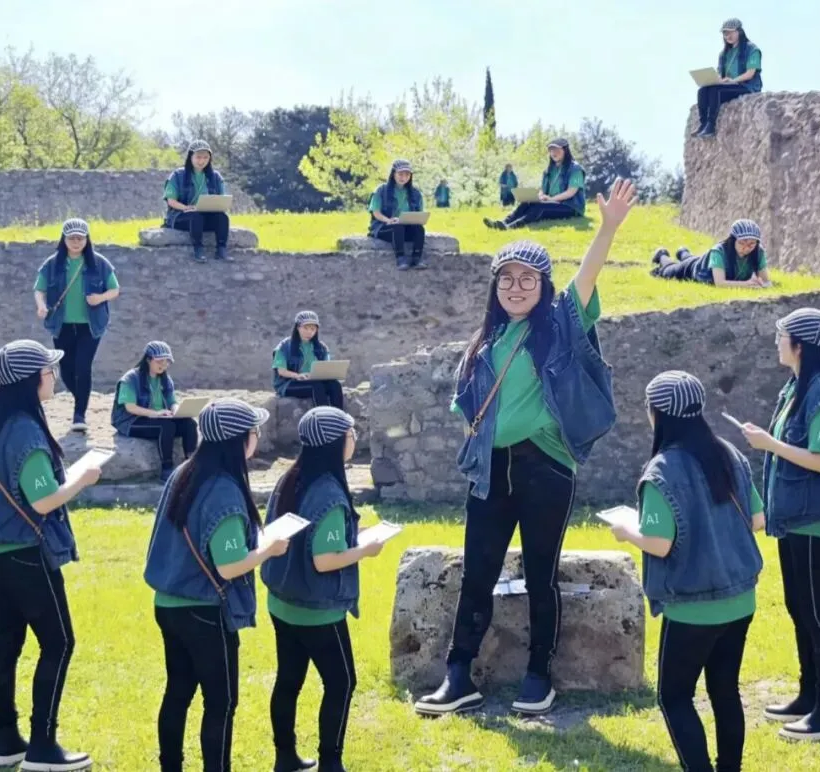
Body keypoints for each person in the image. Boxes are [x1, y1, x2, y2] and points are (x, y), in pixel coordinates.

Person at [414, 179, 637, 718]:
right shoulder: (484, 343)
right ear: (495, 287)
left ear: (543, 285)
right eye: (507, 279)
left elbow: (586, 279)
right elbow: (469, 409)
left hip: (546, 466)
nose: (516, 287)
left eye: (527, 278)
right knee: (477, 573)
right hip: (491, 471)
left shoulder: (558, 325)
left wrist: (607, 228)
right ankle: (458, 675)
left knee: (541, 573)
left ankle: (539, 675)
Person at [0, 340, 104, 771]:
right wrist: (83, 478)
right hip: (24, 554)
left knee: (6, 643)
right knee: (59, 642)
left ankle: (7, 742)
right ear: (31, 379)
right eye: (48, 370)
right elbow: (42, 500)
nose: (54, 376)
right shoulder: (24, 429)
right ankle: (43, 745)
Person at [610, 371, 764, 772]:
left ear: (657, 413)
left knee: (675, 697)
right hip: (741, 598)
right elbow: (758, 519)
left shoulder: (662, 469)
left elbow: (660, 543)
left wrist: (627, 531)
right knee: (725, 691)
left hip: (692, 607)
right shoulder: (729, 453)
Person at [736, 309, 820, 742]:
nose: (777, 342)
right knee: (799, 607)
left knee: (816, 611)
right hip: (798, 520)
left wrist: (769, 443)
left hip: (816, 522)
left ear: (801, 345)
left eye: (782, 336)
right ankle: (809, 695)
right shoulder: (798, 385)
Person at [144, 398, 288, 772]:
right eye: (254, 431)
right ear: (239, 439)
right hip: (204, 611)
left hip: (168, 603)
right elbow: (229, 565)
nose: (257, 437)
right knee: (220, 701)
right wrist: (269, 549)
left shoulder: (184, 473)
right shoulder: (223, 489)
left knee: (178, 692)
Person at [262, 407, 385, 772]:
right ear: (335, 442)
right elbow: (324, 560)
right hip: (317, 611)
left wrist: (354, 536)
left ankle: (285, 757)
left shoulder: (291, 478)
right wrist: (365, 549)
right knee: (341, 682)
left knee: (289, 680)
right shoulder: (329, 492)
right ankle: (331, 763)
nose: (355, 439)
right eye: (351, 434)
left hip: (282, 601)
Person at [33, 217, 120, 432]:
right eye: (71, 238)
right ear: (63, 239)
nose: (76, 242)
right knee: (66, 369)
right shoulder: (52, 264)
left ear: (87, 239)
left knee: (83, 366)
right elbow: (39, 289)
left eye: (80, 238)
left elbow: (115, 289)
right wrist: (41, 306)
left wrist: (100, 298)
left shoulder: (99, 263)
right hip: (61, 324)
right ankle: (81, 396)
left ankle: (79, 414)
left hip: (90, 325)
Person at [111, 341, 199, 483]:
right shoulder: (131, 378)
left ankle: (191, 465)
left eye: (167, 361)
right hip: (132, 421)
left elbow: (172, 401)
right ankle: (166, 469)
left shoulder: (165, 379)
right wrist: (155, 413)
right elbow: (130, 407)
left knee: (190, 424)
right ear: (148, 359)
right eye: (159, 361)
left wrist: (176, 411)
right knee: (166, 426)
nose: (163, 365)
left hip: (159, 418)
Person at [484, 139, 585, 230]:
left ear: (565, 150)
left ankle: (512, 226)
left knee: (540, 207)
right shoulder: (549, 170)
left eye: (556, 149)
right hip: (553, 202)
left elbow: (571, 192)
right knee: (528, 202)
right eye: (551, 150)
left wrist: (551, 199)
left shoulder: (575, 169)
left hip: (571, 207)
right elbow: (543, 190)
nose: (553, 153)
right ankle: (503, 222)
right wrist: (539, 196)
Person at [163, 139, 231, 263]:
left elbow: (221, 200)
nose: (202, 161)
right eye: (198, 157)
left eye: (205, 157)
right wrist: (186, 208)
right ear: (190, 157)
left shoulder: (215, 177)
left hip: (206, 217)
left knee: (222, 217)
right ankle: (198, 249)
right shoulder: (177, 175)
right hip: (181, 216)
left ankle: (221, 249)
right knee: (195, 216)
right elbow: (171, 201)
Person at [650, 219, 772, 288]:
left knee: (692, 258)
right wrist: (746, 285)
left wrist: (762, 283)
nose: (746, 248)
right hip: (694, 270)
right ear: (732, 240)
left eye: (751, 244)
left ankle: (683, 252)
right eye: (742, 243)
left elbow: (766, 281)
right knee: (668, 270)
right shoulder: (718, 251)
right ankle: (662, 255)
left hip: (701, 261)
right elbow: (720, 283)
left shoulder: (758, 252)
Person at [695, 18, 762, 138]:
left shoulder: (752, 49)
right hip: (728, 86)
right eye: (725, 33)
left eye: (731, 32)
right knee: (703, 91)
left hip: (746, 86)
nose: (728, 36)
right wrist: (716, 79)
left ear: (739, 31)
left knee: (716, 91)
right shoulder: (724, 54)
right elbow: (720, 73)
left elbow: (750, 73)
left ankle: (711, 126)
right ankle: (703, 124)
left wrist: (732, 80)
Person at [272, 311, 345, 409]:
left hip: (314, 380)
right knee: (316, 386)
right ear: (298, 327)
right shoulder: (284, 346)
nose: (309, 332)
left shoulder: (321, 347)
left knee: (335, 385)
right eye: (305, 328)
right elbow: (281, 371)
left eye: (312, 329)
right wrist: (298, 376)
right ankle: (324, 416)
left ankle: (339, 415)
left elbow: (326, 368)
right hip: (289, 383)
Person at [367, 159, 427, 270]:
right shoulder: (381, 190)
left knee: (419, 229)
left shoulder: (416, 193)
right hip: (384, 227)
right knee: (397, 227)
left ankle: (417, 258)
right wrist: (388, 220)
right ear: (393, 174)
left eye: (407, 174)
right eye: (400, 174)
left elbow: (419, 214)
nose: (403, 177)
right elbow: (376, 212)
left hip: (406, 228)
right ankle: (400, 258)